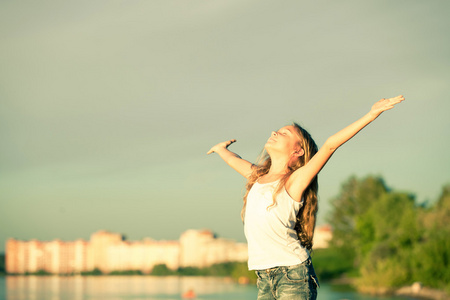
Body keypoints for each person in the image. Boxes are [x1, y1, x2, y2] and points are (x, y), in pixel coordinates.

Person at [207, 95, 405, 300]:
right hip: (263, 277)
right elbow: (234, 160)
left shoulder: (294, 181)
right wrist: (222, 150)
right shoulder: (257, 177)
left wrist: (371, 114)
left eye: (284, 133)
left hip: (292, 275)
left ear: (298, 150)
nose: (275, 132)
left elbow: (330, 145)